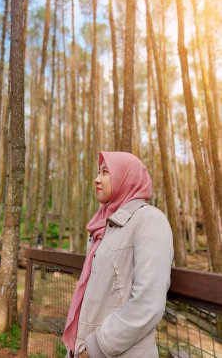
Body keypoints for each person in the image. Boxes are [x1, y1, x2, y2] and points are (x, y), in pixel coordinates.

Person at [63, 151, 174, 358]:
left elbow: (148, 303)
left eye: (106, 172)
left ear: (126, 177)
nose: (97, 179)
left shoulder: (149, 220)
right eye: (98, 172)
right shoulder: (102, 226)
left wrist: (95, 346)